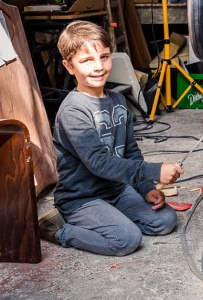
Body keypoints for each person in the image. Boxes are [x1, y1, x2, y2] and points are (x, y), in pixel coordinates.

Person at [37, 20, 183, 256]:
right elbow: (99, 163)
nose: (98, 67)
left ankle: (110, 218)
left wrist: (145, 187)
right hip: (82, 198)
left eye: (104, 57)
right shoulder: (73, 111)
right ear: (69, 66)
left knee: (165, 221)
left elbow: (130, 150)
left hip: (116, 190)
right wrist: (154, 171)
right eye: (86, 60)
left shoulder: (118, 101)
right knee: (126, 239)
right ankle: (59, 230)